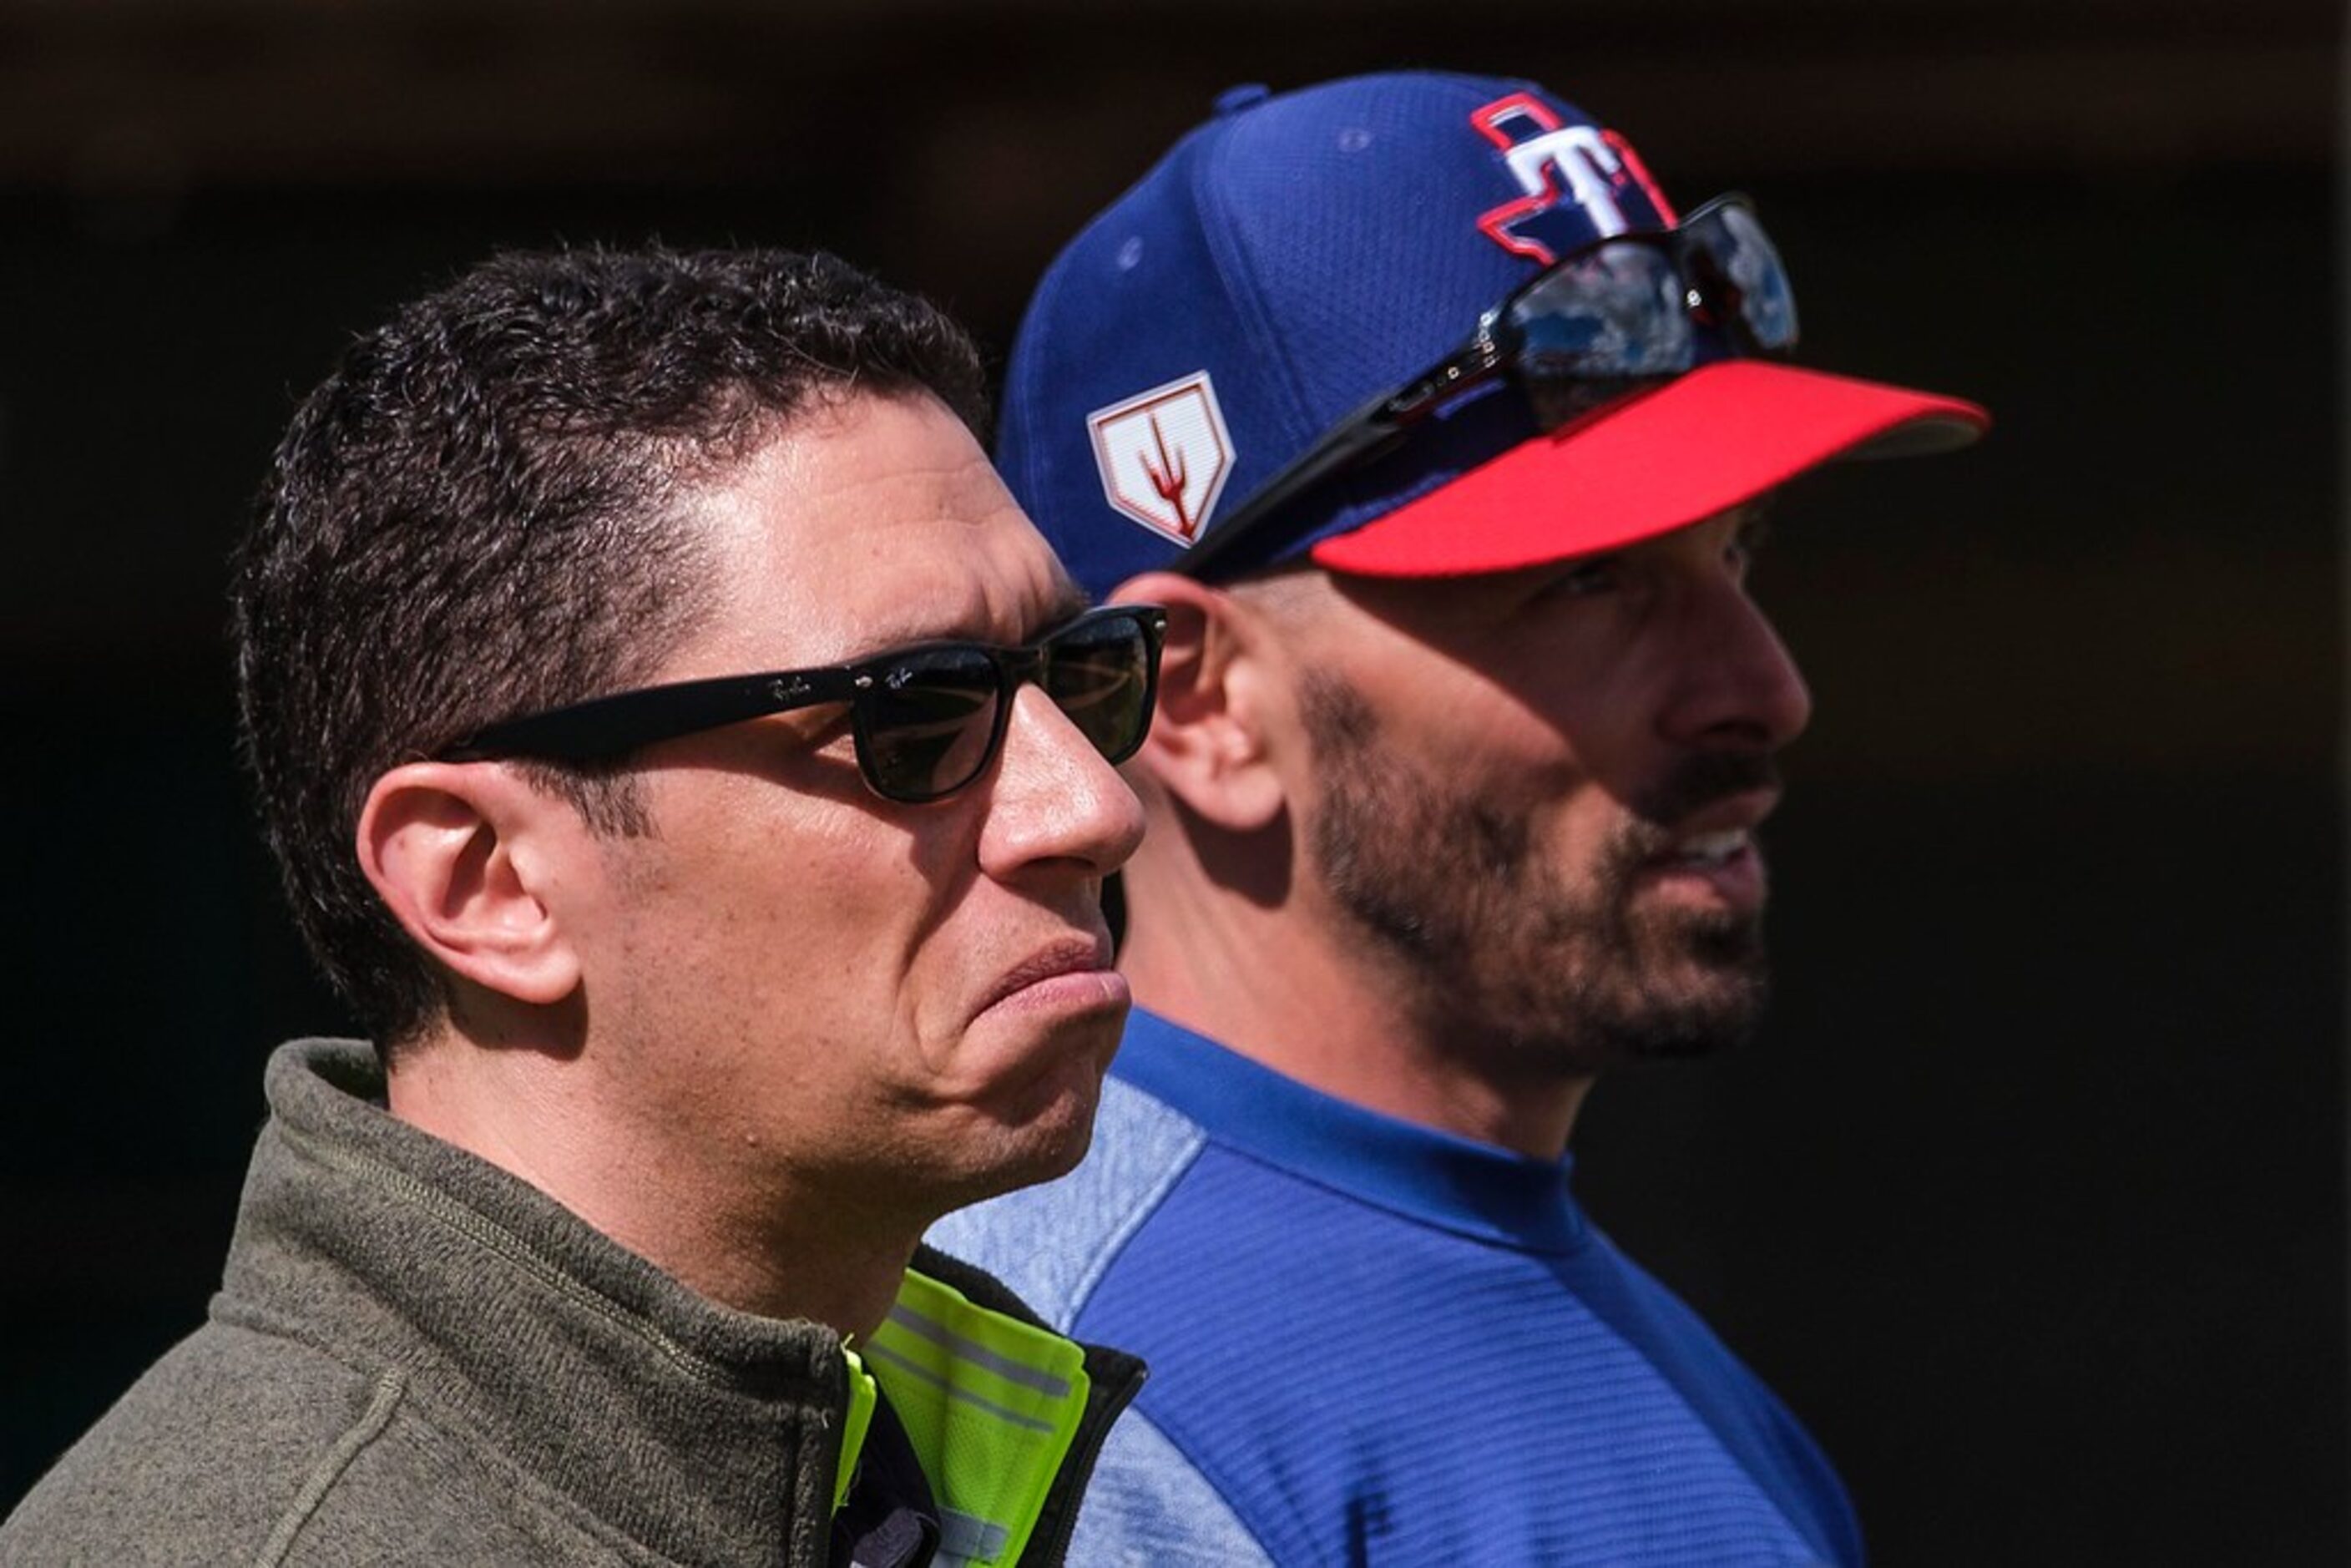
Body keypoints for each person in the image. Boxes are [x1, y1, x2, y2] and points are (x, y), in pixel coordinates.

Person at [930, 71, 1988, 1565]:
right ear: (1204, 706)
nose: (1765, 688)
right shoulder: (1062, 1400)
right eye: (1589, 582)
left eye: (1736, 555)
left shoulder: (1672, 1375)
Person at [1, 245, 1164, 1568]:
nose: (1093, 807)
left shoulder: (905, 1449)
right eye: (915, 713)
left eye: (1082, 674)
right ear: (485, 881)